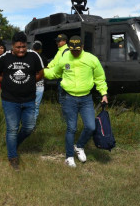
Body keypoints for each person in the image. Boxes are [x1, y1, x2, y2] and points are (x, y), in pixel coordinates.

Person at [44, 35, 108, 168]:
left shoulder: (91, 59)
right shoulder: (65, 58)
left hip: (86, 99)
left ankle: (79, 146)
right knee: (71, 128)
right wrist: (40, 72)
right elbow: (55, 74)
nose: (74, 52)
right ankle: (69, 157)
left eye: (77, 50)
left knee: (91, 126)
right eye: (72, 50)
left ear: (82, 47)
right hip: (69, 98)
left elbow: (100, 78)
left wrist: (104, 93)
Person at [0, 32, 44, 170]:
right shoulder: (4, 57)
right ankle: (13, 157)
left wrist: (31, 82)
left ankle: (13, 145)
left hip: (29, 99)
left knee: (29, 127)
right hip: (10, 100)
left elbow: (40, 73)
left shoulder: (34, 56)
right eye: (18, 47)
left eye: (23, 47)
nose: (21, 50)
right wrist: (7, 83)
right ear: (12, 46)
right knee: (12, 129)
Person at [47, 34, 69, 105]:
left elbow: (67, 66)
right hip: (61, 78)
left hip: (65, 78)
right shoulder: (60, 51)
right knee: (61, 96)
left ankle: (65, 113)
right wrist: (48, 67)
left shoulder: (66, 51)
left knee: (64, 97)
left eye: (59, 41)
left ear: (64, 41)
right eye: (57, 41)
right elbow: (54, 61)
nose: (57, 43)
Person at [31, 40, 48, 122]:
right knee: (34, 105)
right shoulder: (43, 58)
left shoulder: (42, 58)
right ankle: (30, 124)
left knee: (32, 105)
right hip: (36, 85)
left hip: (36, 85)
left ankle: (30, 124)